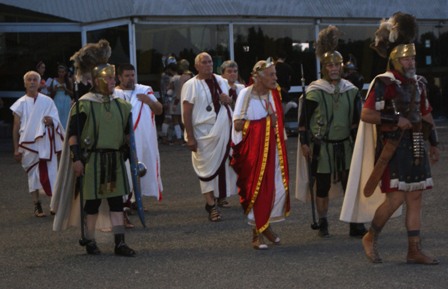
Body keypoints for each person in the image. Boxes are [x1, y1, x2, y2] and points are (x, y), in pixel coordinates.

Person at [340, 12, 439, 265]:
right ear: (395, 60)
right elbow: (367, 114)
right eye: (406, 58)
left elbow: (426, 114)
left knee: (416, 198)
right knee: (395, 198)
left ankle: (413, 250)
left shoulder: (419, 83)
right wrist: (396, 120)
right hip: (394, 147)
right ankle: (370, 237)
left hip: (416, 143)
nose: (410, 62)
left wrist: (434, 143)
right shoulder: (384, 83)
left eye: (413, 57)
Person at [52, 39, 135, 256]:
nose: (111, 82)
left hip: (115, 160)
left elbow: (127, 134)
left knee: (117, 203)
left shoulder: (123, 106)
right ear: (97, 80)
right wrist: (77, 158)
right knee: (92, 205)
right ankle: (90, 240)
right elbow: (73, 136)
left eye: (112, 79)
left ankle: (119, 243)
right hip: (93, 161)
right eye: (107, 79)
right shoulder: (84, 105)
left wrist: (126, 151)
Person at [296, 25, 366, 238]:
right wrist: (305, 143)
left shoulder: (351, 91)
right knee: (323, 186)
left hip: (346, 144)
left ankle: (354, 222)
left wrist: (360, 145)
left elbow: (357, 122)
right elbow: (303, 122)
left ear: (342, 67)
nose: (334, 68)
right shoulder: (315, 91)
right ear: (324, 68)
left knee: (350, 184)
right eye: (330, 65)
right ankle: (324, 221)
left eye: (337, 65)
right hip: (322, 146)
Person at [231, 58, 290, 250]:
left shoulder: (274, 94)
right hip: (253, 152)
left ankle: (265, 226)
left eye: (275, 74)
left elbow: (278, 122)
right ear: (259, 77)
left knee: (275, 187)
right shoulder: (246, 94)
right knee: (256, 188)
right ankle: (256, 233)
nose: (275, 78)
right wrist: (264, 124)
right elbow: (238, 124)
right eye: (271, 74)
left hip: (273, 149)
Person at [181, 52, 237, 222]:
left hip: (221, 129)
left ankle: (218, 198)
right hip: (202, 132)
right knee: (205, 169)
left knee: (224, 165)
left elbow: (230, 103)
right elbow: (186, 112)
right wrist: (190, 136)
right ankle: (211, 205)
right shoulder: (191, 85)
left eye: (210, 62)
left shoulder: (221, 80)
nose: (208, 65)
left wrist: (228, 100)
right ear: (197, 66)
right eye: (204, 62)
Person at [11, 70, 64, 217]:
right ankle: (37, 205)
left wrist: (51, 121)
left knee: (52, 172)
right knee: (32, 175)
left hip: (45, 143)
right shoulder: (19, 104)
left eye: (35, 79)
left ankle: (54, 205)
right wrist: (16, 149)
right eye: (29, 80)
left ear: (39, 83)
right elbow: (16, 127)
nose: (32, 82)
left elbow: (57, 120)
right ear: (25, 83)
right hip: (27, 145)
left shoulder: (47, 101)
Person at [114, 63, 164, 203]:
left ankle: (136, 200)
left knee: (140, 166)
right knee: (123, 169)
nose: (131, 78)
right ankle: (124, 201)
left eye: (132, 75)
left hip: (143, 137)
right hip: (122, 139)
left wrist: (149, 101)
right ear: (119, 77)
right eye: (127, 76)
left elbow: (159, 110)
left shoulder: (144, 90)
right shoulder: (114, 94)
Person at [162, 59, 193, 145]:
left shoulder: (175, 78)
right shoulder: (192, 76)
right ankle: (187, 136)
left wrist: (174, 102)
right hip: (188, 100)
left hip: (177, 100)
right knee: (184, 120)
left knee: (176, 120)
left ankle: (180, 138)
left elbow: (170, 90)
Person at [48, 64, 73, 128]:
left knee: (66, 117)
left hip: (66, 100)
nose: (61, 73)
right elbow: (51, 94)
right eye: (59, 72)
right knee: (57, 116)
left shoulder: (69, 81)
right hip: (57, 99)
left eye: (62, 72)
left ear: (65, 72)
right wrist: (55, 90)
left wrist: (65, 89)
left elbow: (72, 94)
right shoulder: (54, 80)